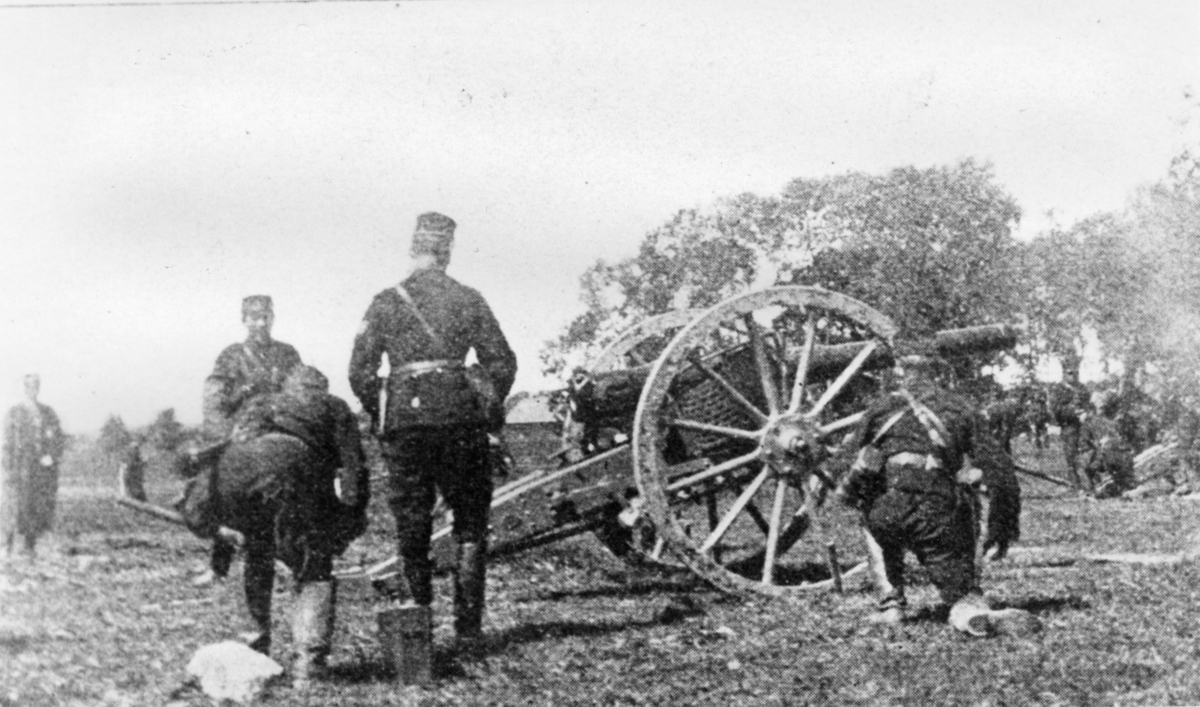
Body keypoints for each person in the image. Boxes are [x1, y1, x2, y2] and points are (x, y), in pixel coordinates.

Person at [349, 211, 517, 657]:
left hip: (405, 426)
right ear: (448, 252)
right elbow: (502, 363)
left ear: (413, 250)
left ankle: (416, 638)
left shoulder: (385, 302)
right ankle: (468, 635)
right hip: (461, 422)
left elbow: (359, 372)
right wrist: (481, 406)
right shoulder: (468, 298)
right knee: (470, 522)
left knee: (412, 522)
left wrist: (386, 410)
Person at [177, 365, 367, 686]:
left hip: (237, 469)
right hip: (294, 468)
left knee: (257, 550)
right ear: (320, 387)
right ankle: (309, 668)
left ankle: (254, 650)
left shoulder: (261, 402)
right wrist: (350, 519)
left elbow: (220, 460)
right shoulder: (334, 406)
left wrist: (216, 529)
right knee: (314, 566)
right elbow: (355, 468)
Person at [837, 353, 1032, 636]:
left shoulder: (881, 408)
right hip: (938, 515)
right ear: (937, 374)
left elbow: (844, 461)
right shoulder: (960, 408)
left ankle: (891, 605)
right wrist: (1001, 529)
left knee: (870, 520)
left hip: (888, 513)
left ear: (901, 374)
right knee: (960, 589)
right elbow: (1001, 473)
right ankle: (969, 611)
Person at [193, 294, 303, 586]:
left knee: (287, 497)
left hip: (279, 432)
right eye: (254, 317)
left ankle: (288, 561)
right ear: (244, 320)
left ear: (273, 318)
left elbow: (301, 392)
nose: (260, 323)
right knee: (227, 495)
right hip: (242, 434)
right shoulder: (231, 356)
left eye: (265, 316)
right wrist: (227, 428)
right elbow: (215, 399)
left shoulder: (287, 354)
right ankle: (219, 567)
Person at [1, 374, 66, 560]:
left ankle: (30, 546)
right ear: (24, 388)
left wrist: (51, 455)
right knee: (14, 506)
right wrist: (8, 467)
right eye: (29, 386)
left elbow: (58, 438)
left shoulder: (47, 412)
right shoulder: (14, 412)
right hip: (20, 467)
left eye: (35, 386)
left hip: (40, 469)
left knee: (36, 506)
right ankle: (7, 546)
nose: (32, 389)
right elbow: (7, 442)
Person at [1079, 392, 1136, 499]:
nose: (1102, 409)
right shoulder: (1093, 422)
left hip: (1111, 457)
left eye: (1103, 406)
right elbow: (1084, 443)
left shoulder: (1115, 421)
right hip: (1109, 457)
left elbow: (1084, 444)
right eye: (1100, 406)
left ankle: (1092, 491)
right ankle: (1095, 490)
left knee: (1083, 464)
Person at [1049, 357, 1091, 492]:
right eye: (1070, 373)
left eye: (1076, 372)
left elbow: (1089, 405)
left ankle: (1091, 484)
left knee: (1090, 454)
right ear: (1064, 373)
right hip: (1069, 427)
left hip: (1085, 427)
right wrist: (1073, 411)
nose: (1073, 375)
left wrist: (1087, 412)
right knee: (1071, 457)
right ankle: (1076, 486)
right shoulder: (1058, 389)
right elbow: (1055, 410)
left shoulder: (1083, 388)